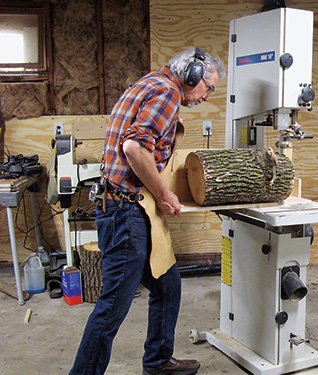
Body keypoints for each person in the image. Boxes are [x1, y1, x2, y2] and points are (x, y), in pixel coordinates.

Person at [69, 47, 225, 375]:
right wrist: (164, 193)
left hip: (129, 210)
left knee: (167, 285)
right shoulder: (167, 93)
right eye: (208, 87)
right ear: (192, 75)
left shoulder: (149, 84)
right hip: (126, 214)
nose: (206, 96)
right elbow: (134, 148)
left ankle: (158, 361)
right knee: (112, 307)